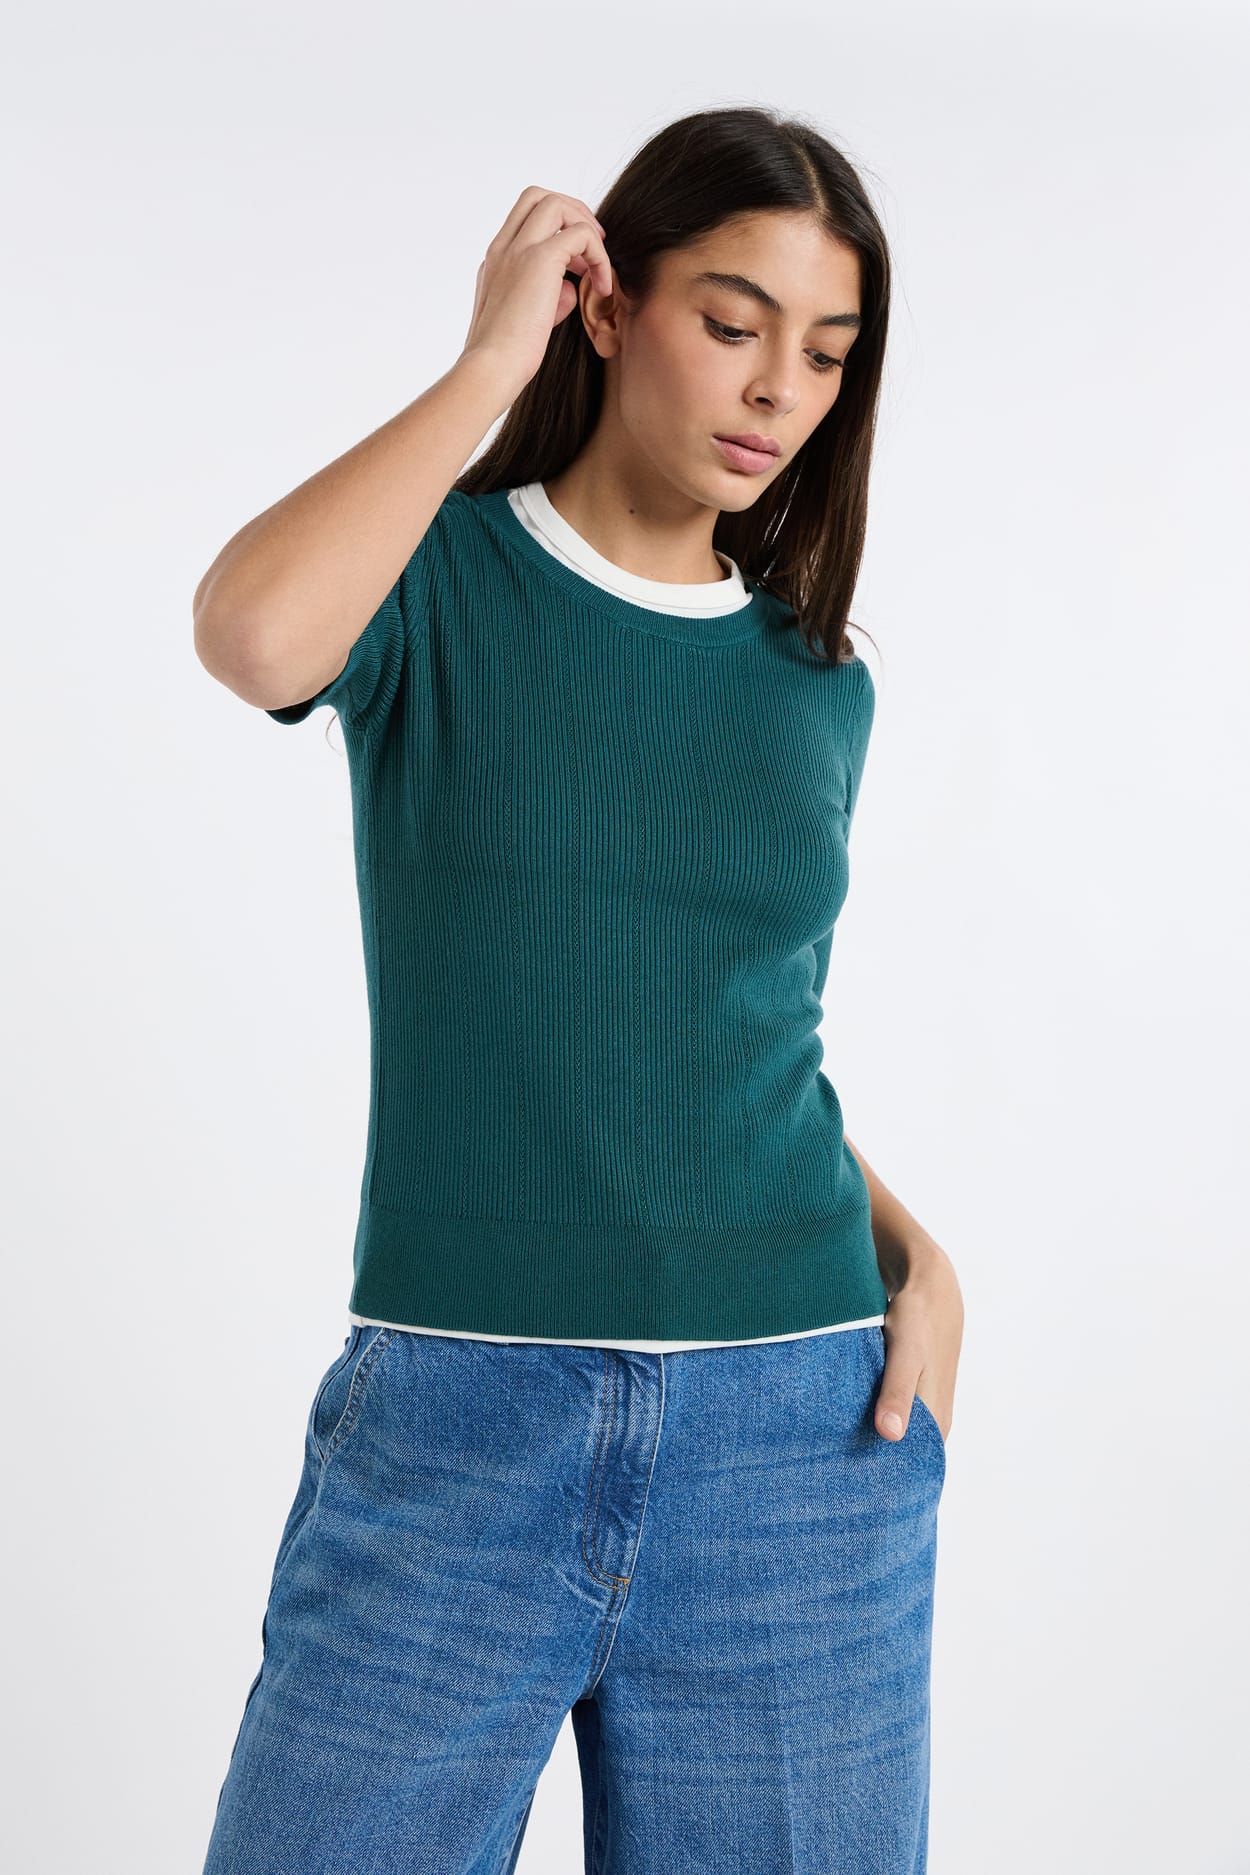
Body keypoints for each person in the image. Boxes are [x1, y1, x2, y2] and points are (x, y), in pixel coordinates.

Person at [194, 104, 965, 1875]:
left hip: (801, 1433)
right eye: (731, 321)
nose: (776, 388)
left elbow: (733, 1037)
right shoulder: (436, 581)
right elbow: (250, 636)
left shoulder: (813, 683)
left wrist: (912, 1251)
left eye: (824, 352)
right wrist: (491, 361)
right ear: (606, 307)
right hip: (462, 1414)